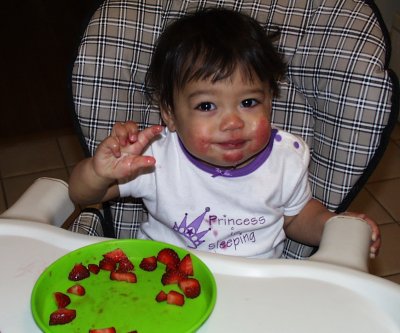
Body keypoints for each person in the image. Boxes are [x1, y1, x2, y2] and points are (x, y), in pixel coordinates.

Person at [69, 8, 380, 259]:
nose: (232, 122)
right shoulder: (156, 158)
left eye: (248, 102)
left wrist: (332, 226)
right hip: (166, 281)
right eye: (206, 106)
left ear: (269, 100)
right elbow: (82, 195)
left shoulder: (286, 160)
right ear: (170, 114)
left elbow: (296, 218)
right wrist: (99, 172)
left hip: (253, 291)